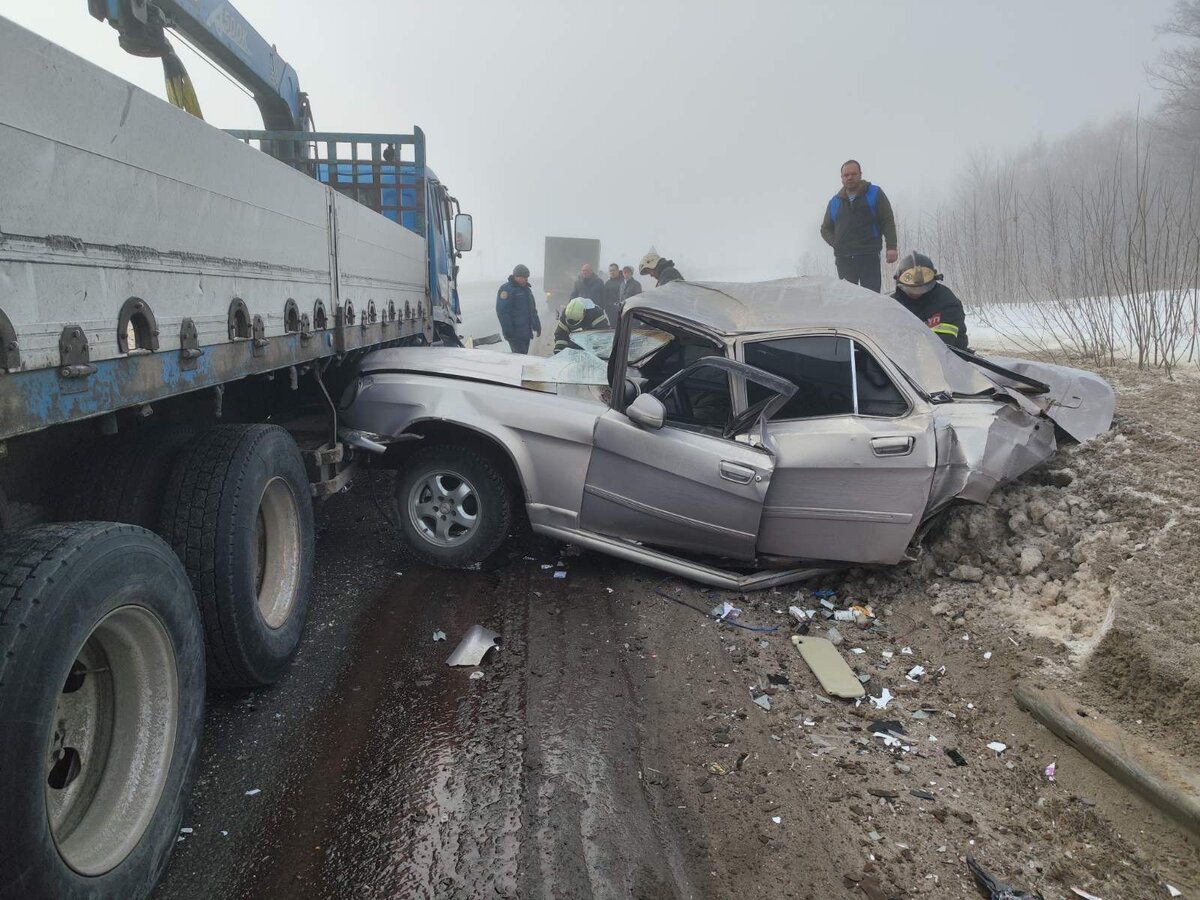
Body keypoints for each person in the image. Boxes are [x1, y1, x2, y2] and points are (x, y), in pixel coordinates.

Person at [819, 159, 897, 292]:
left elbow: (887, 220)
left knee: (871, 297)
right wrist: (836, 242)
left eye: (853, 174)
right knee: (848, 299)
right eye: (846, 175)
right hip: (844, 258)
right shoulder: (835, 201)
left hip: (868, 254)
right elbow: (825, 229)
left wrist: (891, 246)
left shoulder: (875, 193)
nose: (850, 177)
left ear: (860, 174)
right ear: (842, 178)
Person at [891, 252, 968, 349]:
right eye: (912, 290)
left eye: (922, 289)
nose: (917, 294)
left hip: (947, 359)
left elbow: (940, 347)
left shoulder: (948, 304)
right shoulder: (891, 305)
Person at [495, 263, 541, 354]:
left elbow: (532, 310)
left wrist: (537, 325)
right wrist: (508, 331)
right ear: (517, 276)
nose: (526, 279)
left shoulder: (527, 290)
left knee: (523, 357)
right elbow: (502, 312)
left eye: (527, 277)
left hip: (526, 333)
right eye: (525, 277)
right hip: (515, 334)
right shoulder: (507, 289)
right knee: (520, 359)